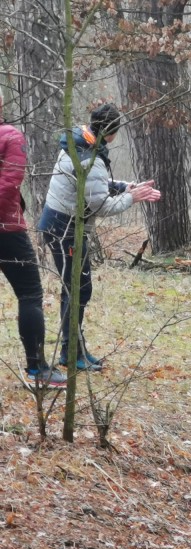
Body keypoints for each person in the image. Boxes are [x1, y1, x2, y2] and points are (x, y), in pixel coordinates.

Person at [39, 103, 162, 370]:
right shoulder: (91, 158)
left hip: (60, 224)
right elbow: (102, 206)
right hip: (65, 230)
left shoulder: (80, 141)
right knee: (77, 290)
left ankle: (75, 349)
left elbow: (88, 186)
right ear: (112, 132)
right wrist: (132, 197)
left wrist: (124, 186)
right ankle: (72, 354)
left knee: (78, 288)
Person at [0, 94, 67, 388]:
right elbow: (10, 180)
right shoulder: (10, 136)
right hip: (7, 230)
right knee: (30, 295)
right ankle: (37, 368)